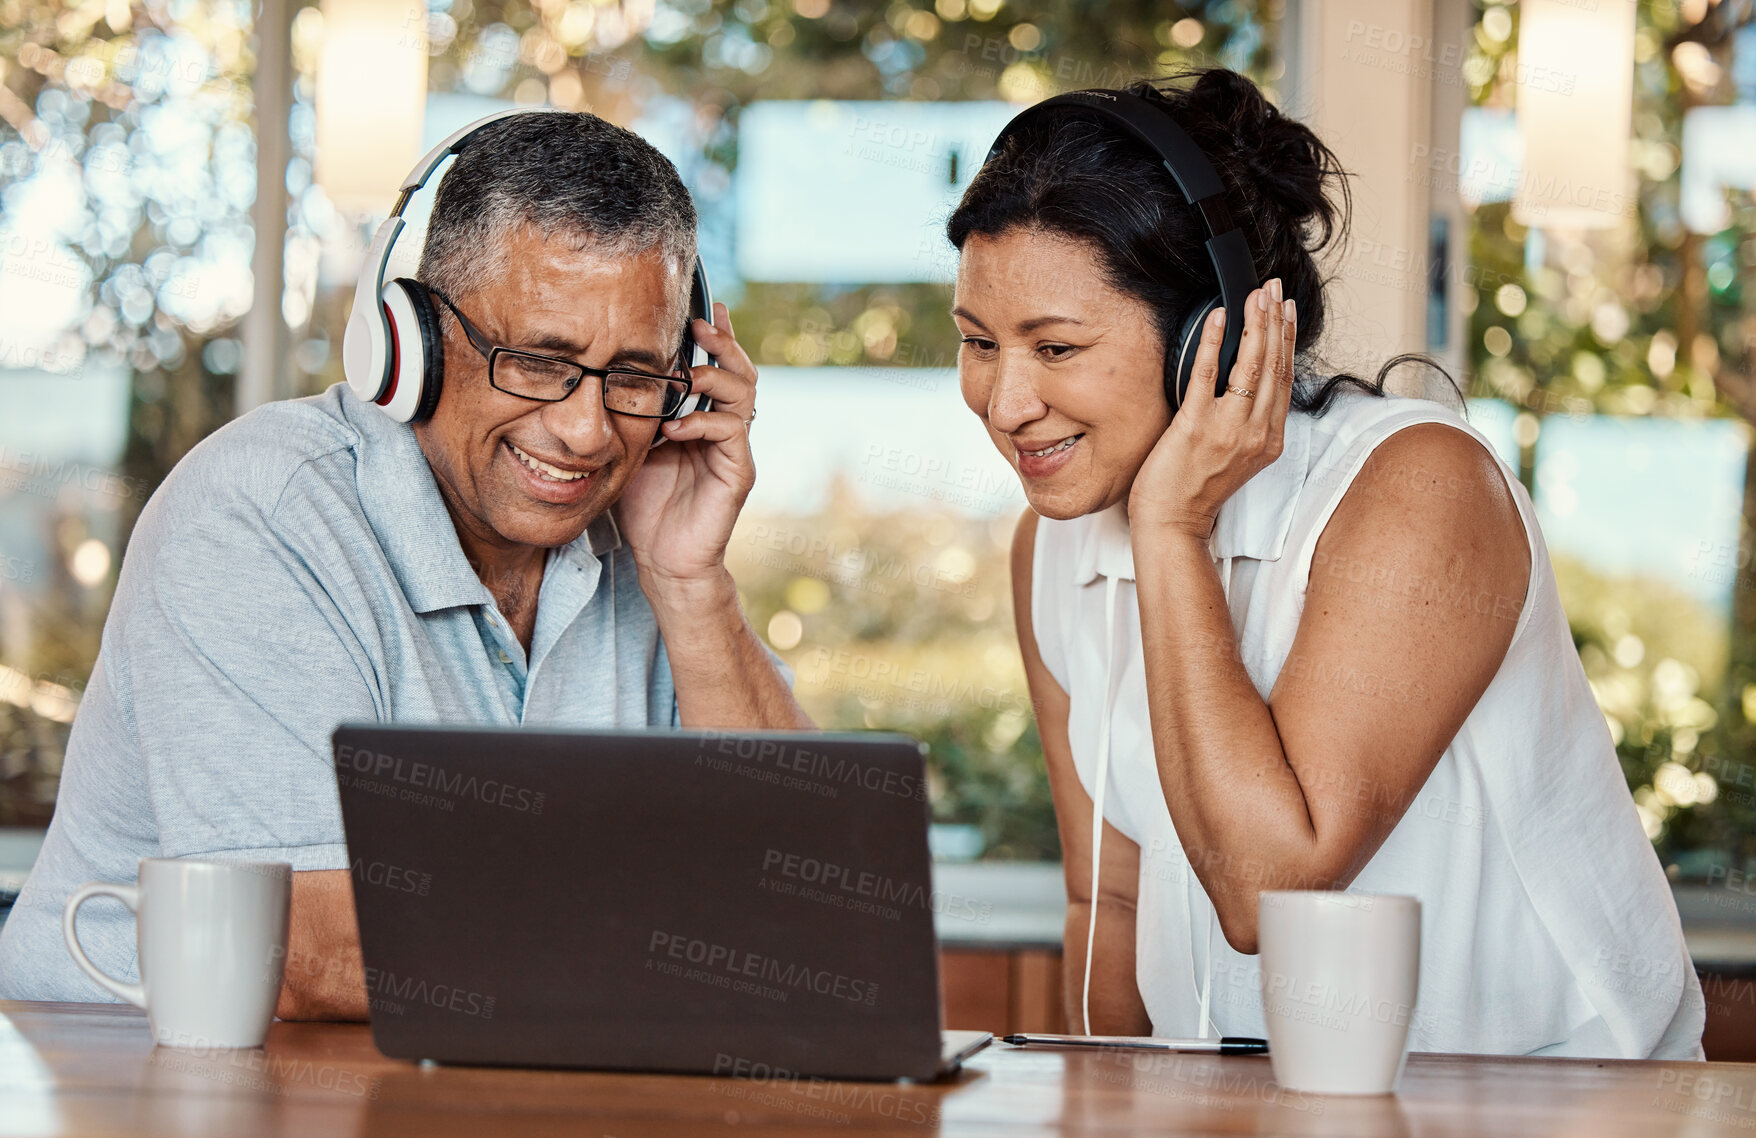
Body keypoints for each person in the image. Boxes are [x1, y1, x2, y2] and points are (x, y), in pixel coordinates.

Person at [948, 69, 1703, 1059]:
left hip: (1555, 1108)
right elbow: (1109, 899)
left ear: (1207, 341)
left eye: (1054, 348)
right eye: (975, 343)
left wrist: (1171, 533)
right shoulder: (1050, 547)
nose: (1003, 405)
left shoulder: (1420, 490)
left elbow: (1270, 888)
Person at [0, 111, 810, 1017]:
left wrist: (691, 585)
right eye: (538, 362)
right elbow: (313, 949)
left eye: (634, 376)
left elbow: (812, 902)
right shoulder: (260, 513)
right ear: (408, 339)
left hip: (464, 1079)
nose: (585, 431)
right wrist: (707, 934)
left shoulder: (643, 535)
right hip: (140, 1084)